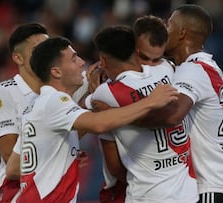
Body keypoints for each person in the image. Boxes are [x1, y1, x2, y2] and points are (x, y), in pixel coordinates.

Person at [15, 36, 179, 202]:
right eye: (74, 59)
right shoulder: (54, 101)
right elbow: (99, 124)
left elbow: (15, 166)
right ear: (56, 72)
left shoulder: (39, 105)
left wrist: (62, 158)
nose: (81, 63)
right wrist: (150, 102)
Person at [92, 25, 198, 203]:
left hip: (147, 194)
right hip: (187, 192)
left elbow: (115, 167)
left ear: (103, 60)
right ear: (136, 50)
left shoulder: (105, 94)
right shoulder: (166, 69)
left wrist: (91, 90)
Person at [164, 4, 223, 202]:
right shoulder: (205, 66)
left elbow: (173, 114)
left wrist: (130, 112)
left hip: (214, 186)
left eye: (169, 25)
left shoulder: (192, 70)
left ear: (182, 33)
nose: (164, 30)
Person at [96, 15, 173, 203]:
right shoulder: (168, 70)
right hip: (144, 184)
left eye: (157, 60)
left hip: (138, 185)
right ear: (132, 48)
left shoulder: (105, 94)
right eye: (145, 58)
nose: (150, 66)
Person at [0, 23, 49, 203]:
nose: (45, 55)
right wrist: (59, 163)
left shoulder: (58, 90)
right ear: (18, 58)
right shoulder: (5, 92)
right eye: (38, 49)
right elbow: (10, 158)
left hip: (52, 188)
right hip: (17, 191)